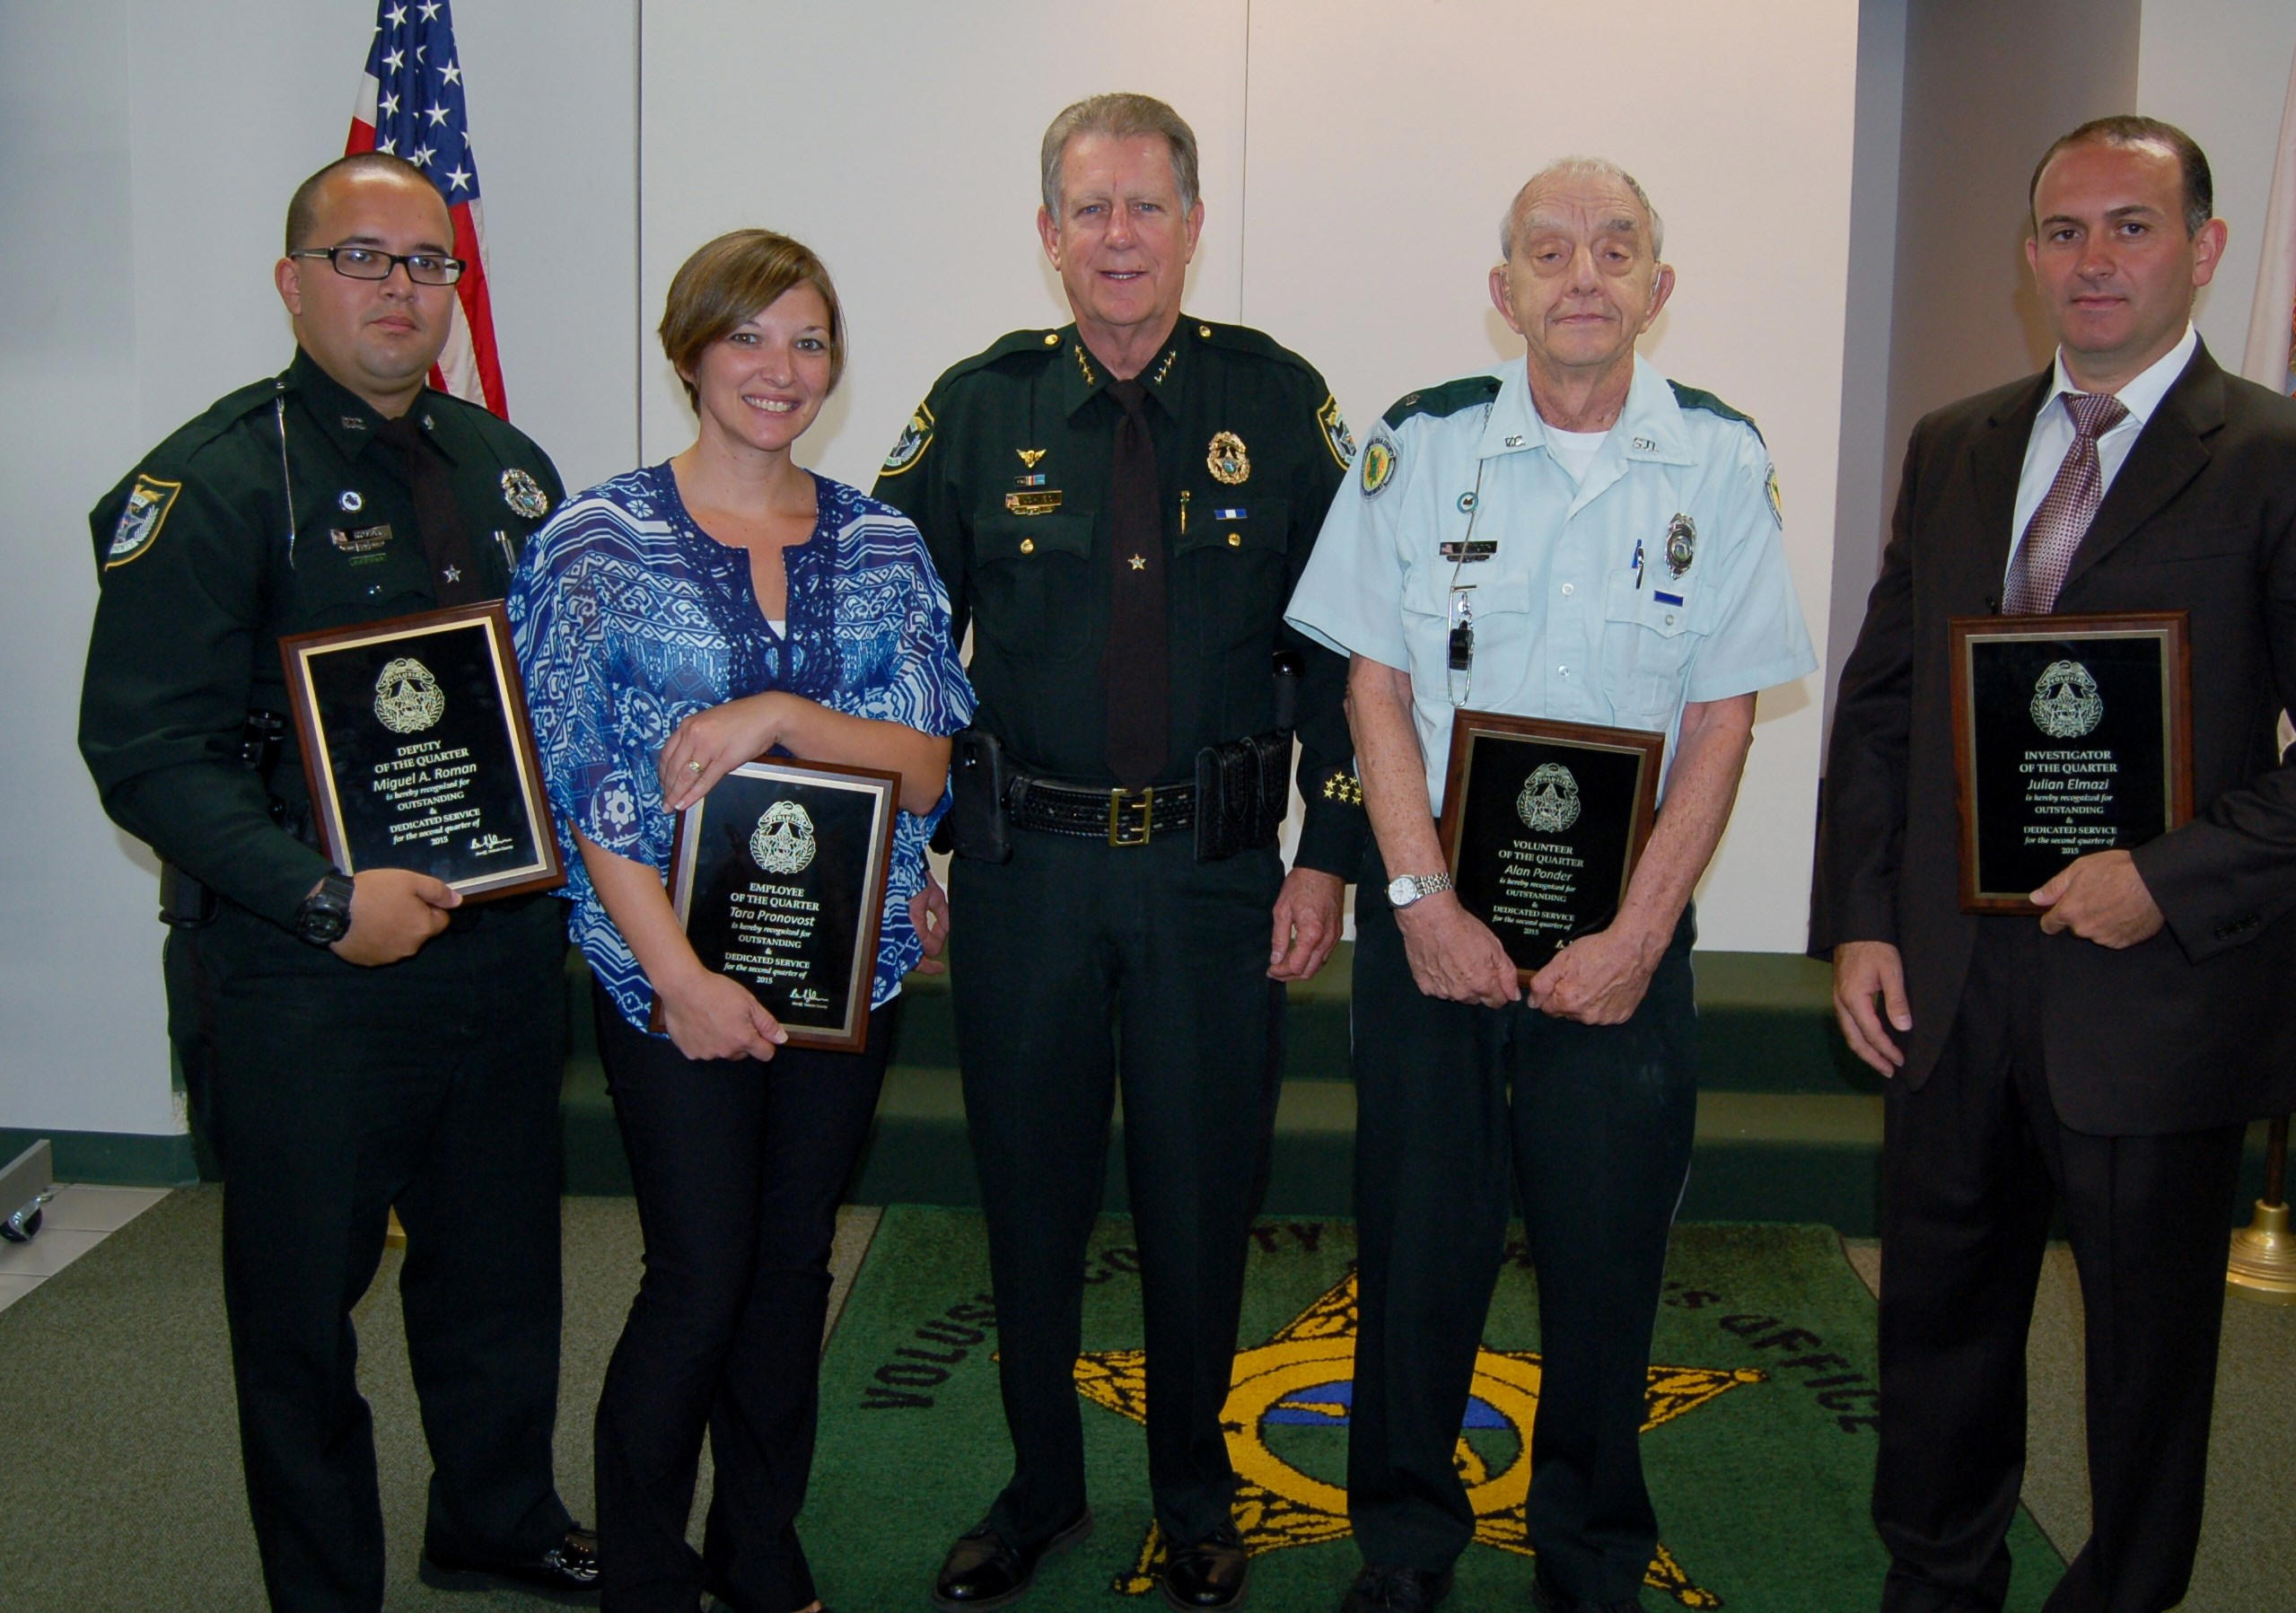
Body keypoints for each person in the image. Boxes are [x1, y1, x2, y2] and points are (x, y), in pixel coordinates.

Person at [1816, 117, 2296, 1612]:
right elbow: (1885, 701)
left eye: (2129, 228)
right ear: (2028, 258)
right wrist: (1859, 922)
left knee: (2146, 1361)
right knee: (1938, 1325)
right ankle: (1939, 1580)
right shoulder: (1955, 442)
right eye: (2063, 232)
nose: (2092, 260)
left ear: (2202, 250)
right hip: (1950, 985)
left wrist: (2167, 873)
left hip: (2154, 995)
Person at [1286, 158, 1817, 1613]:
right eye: (1548, 250)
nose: (1581, 274)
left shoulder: (1717, 459)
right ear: (1501, 289)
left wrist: (1640, 934)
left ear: (1658, 286)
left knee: (1604, 1253)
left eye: (1614, 248)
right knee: (1415, 1247)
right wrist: (1419, 900)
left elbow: (1719, 719)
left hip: (1621, 949)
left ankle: (1590, 1550)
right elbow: (1372, 685)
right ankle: (1401, 1542)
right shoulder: (1417, 446)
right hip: (1432, 932)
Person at [76, 152, 595, 1609]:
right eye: (365, 258)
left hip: (493, 956)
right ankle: (324, 1583)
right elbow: (145, 752)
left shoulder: (509, 465)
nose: (400, 289)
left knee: (499, 1274)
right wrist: (320, 899)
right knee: (299, 1311)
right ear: (293, 279)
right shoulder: (216, 482)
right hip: (303, 973)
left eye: (427, 263)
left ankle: (494, 1513)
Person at [871, 92, 1365, 1612]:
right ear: (1047, 237)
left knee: (1201, 1192)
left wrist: (1326, 851)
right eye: (1088, 210)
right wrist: (915, 843)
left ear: (1193, 225)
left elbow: (1351, 653)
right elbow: (897, 641)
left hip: (1216, 880)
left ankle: (1193, 1491)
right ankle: (1039, 1485)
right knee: (1026, 1190)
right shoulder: (974, 410)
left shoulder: (1278, 405)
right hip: (1026, 876)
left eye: (1146, 207)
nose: (1119, 237)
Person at [506, 230, 974, 1613]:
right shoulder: (597, 539)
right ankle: (646, 1576)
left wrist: (776, 714)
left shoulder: (882, 540)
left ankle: (760, 1554)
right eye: (750, 338)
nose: (781, 370)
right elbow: (583, 786)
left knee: (791, 1271)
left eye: (809, 341)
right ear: (691, 351)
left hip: (850, 973)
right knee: (698, 1276)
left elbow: (928, 758)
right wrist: (678, 982)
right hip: (669, 980)